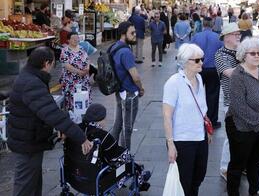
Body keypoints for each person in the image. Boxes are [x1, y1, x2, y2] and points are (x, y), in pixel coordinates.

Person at [7, 46, 93, 196]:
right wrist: (81, 137)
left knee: (33, 181)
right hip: (27, 141)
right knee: (25, 184)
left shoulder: (28, 76)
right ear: (46, 63)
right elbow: (53, 114)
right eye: (53, 64)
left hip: (29, 138)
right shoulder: (32, 82)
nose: (54, 67)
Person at [226, 37, 259, 196]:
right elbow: (238, 106)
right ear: (243, 55)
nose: (257, 56)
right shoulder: (238, 75)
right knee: (238, 164)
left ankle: (254, 190)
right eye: (252, 53)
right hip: (241, 128)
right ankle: (233, 192)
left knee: (255, 162)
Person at [163, 43, 210, 196]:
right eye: (196, 60)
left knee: (199, 177)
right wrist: (171, 144)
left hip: (200, 137)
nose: (201, 63)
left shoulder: (199, 78)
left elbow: (202, 107)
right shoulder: (174, 82)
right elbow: (167, 115)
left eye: (201, 59)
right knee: (184, 182)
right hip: (182, 140)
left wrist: (207, 129)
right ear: (185, 62)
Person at [77, 104, 151, 191]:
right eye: (105, 118)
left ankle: (139, 171)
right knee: (129, 164)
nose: (106, 121)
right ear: (99, 121)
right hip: (100, 176)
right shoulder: (103, 136)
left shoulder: (79, 131)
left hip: (79, 172)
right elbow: (120, 155)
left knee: (126, 160)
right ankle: (139, 177)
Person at [110, 22, 145, 151]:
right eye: (132, 33)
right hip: (129, 93)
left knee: (118, 125)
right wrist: (140, 88)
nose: (135, 35)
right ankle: (125, 158)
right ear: (123, 34)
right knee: (127, 128)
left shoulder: (114, 47)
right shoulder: (126, 52)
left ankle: (111, 151)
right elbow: (135, 76)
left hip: (120, 91)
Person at [215, 23, 241, 181]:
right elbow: (230, 73)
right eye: (236, 33)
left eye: (239, 33)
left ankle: (239, 164)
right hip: (231, 102)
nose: (239, 35)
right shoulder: (220, 54)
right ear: (227, 37)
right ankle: (225, 167)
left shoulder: (243, 52)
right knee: (231, 137)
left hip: (248, 100)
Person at [191, 17, 224, 127]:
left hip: (198, 68)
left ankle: (196, 119)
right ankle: (212, 121)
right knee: (213, 95)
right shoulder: (218, 37)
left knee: (196, 94)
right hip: (213, 69)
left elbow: (190, 52)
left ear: (203, 24)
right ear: (212, 25)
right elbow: (222, 53)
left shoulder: (196, 36)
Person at [59, 32, 91, 113]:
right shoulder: (64, 51)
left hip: (83, 80)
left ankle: (84, 117)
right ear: (68, 40)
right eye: (73, 38)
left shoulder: (82, 48)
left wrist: (87, 68)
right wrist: (79, 72)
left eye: (77, 38)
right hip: (71, 81)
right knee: (72, 101)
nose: (76, 40)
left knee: (84, 100)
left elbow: (87, 60)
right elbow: (66, 65)